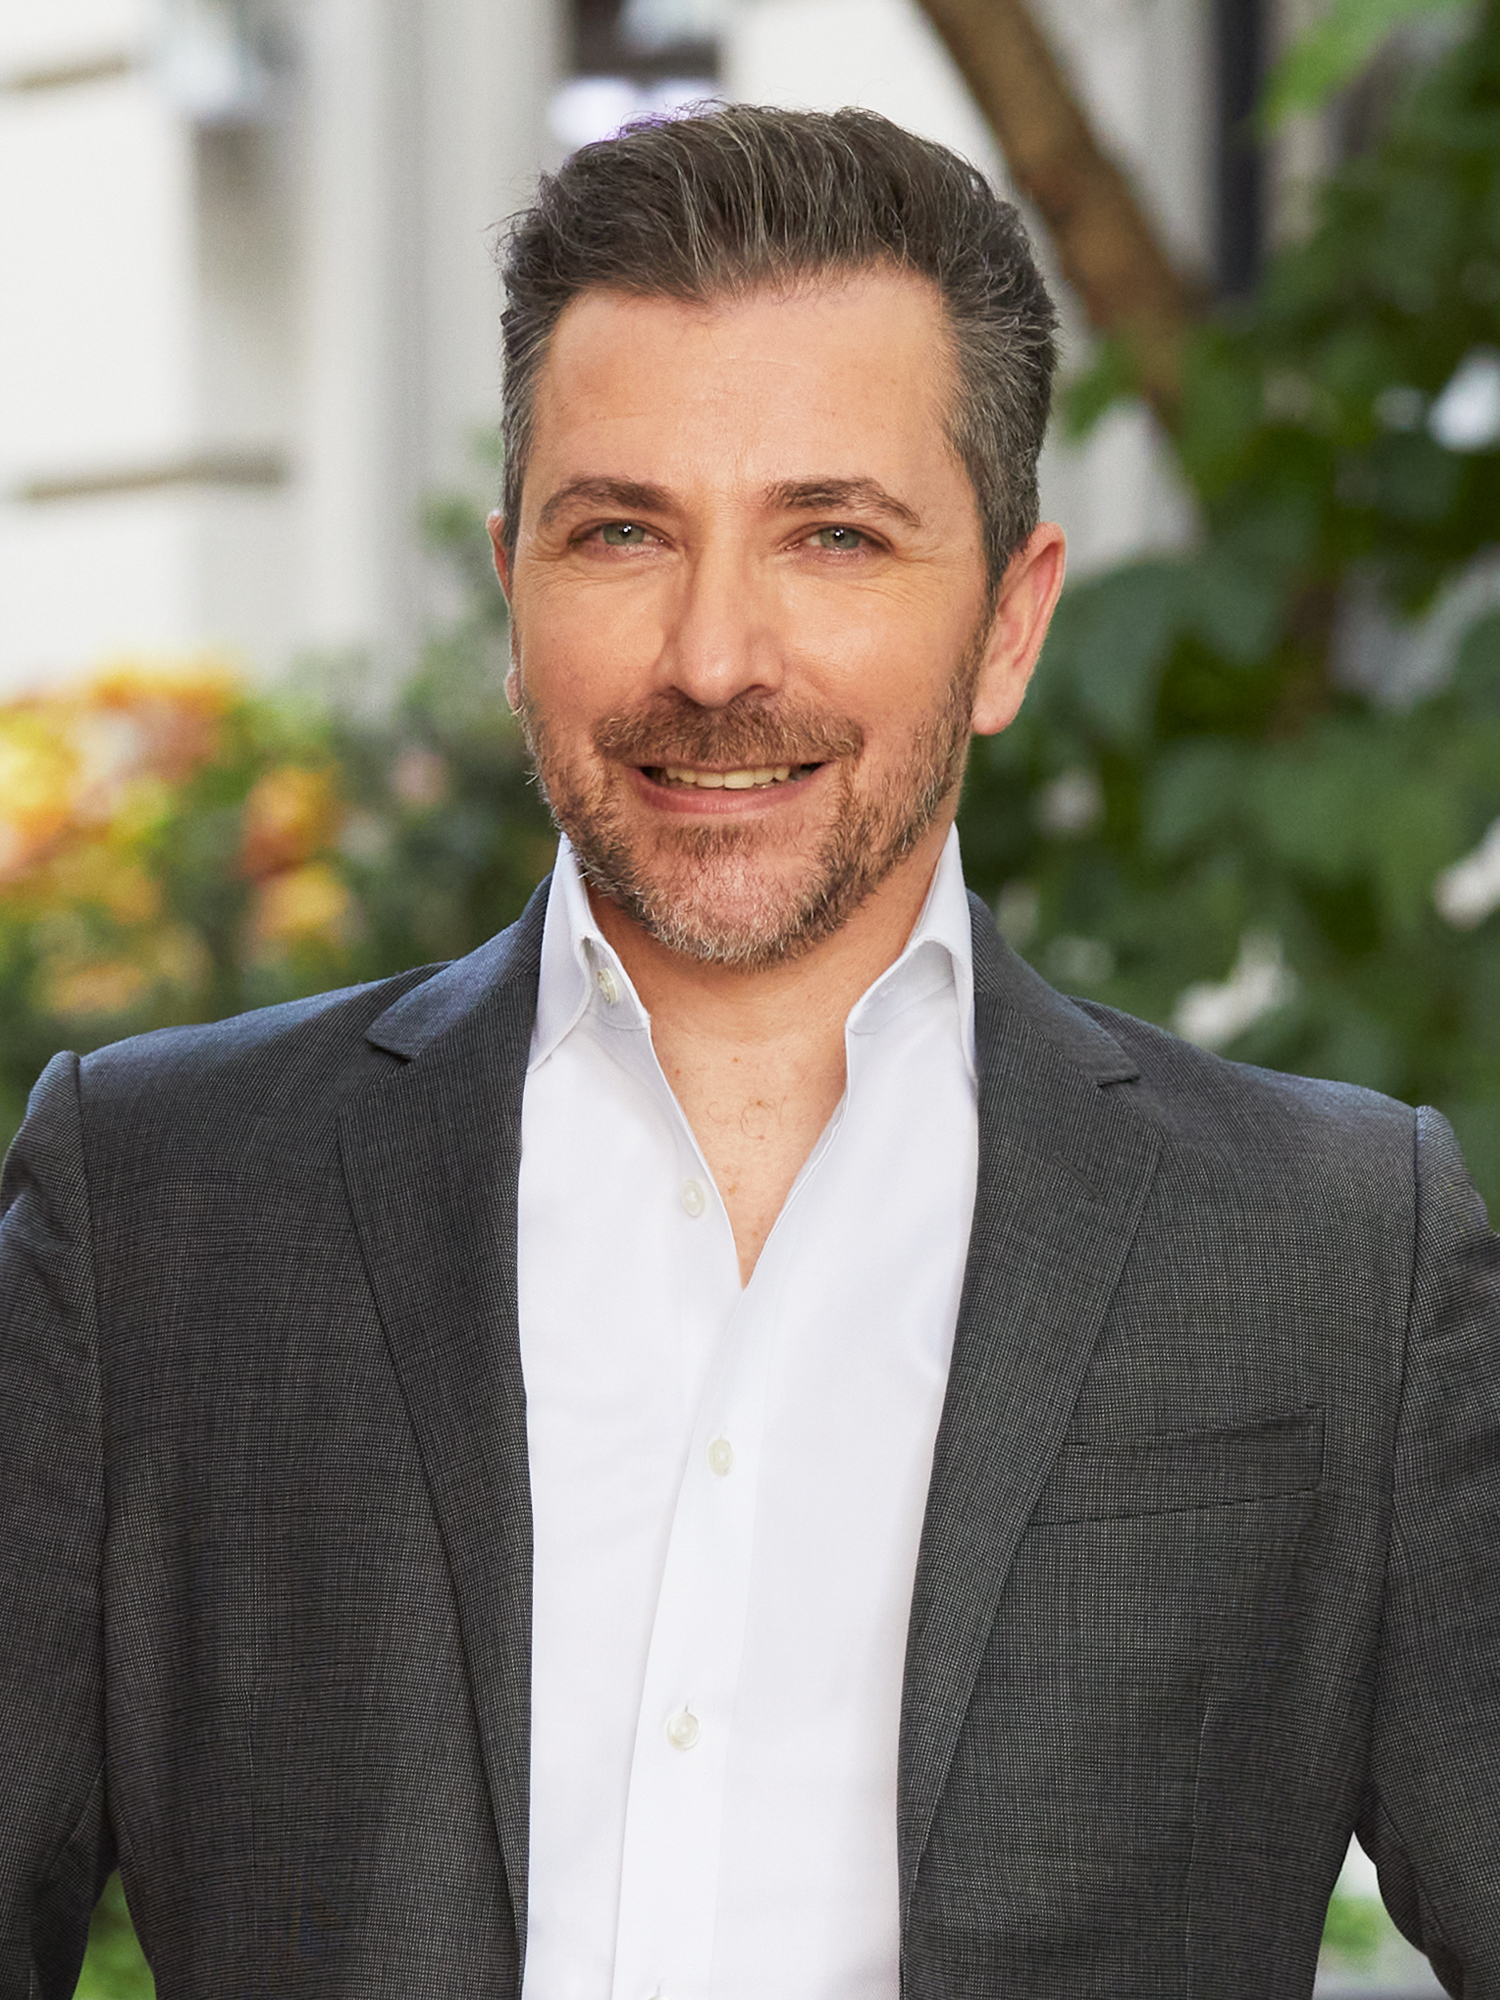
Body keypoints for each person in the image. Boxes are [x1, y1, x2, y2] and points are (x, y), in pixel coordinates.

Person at [2, 103, 1497, 2000]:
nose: (714, 658)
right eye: (622, 532)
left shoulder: (1336, 1250)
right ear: (513, 592)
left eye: (834, 536)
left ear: (1011, 623)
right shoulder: (159, 1208)